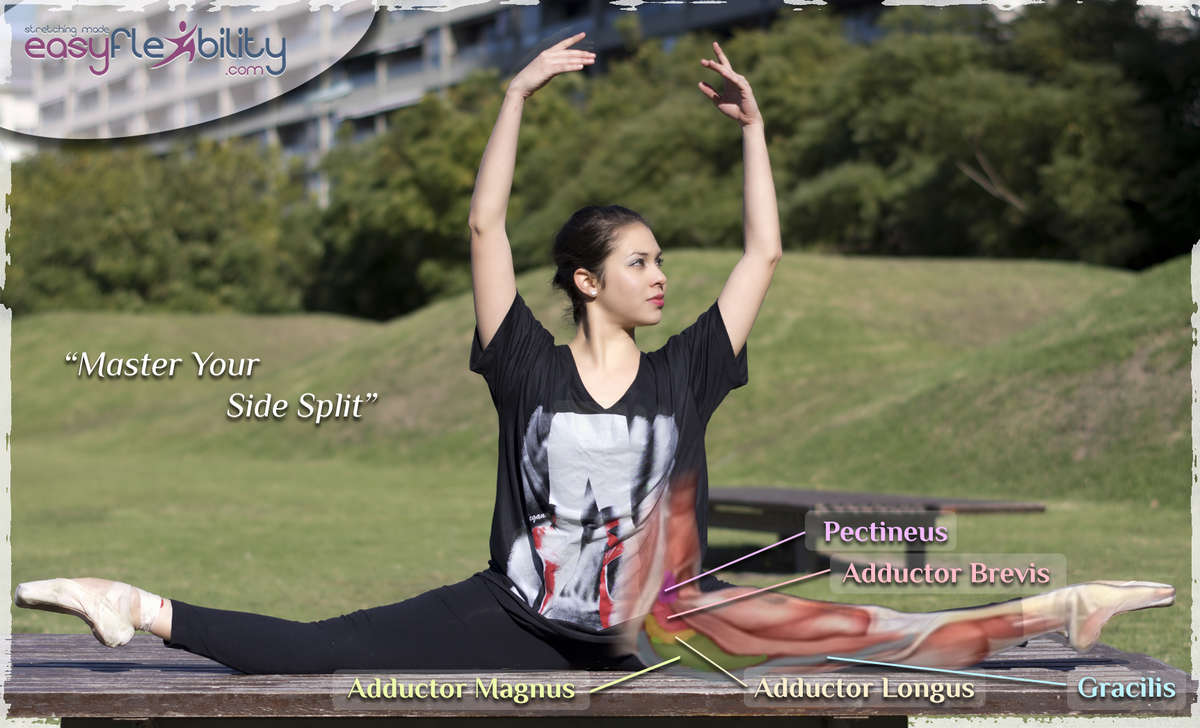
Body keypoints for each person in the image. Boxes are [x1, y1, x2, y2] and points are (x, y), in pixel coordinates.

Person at [15, 34, 1174, 676]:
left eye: (664, 261)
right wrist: (515, 92)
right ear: (584, 278)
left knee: (883, 635)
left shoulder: (688, 371)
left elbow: (766, 249)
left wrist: (759, 134)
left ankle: (1058, 606)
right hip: (519, 614)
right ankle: (135, 603)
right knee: (318, 651)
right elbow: (482, 230)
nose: (662, 276)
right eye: (640, 262)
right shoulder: (523, 361)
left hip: (668, 619)